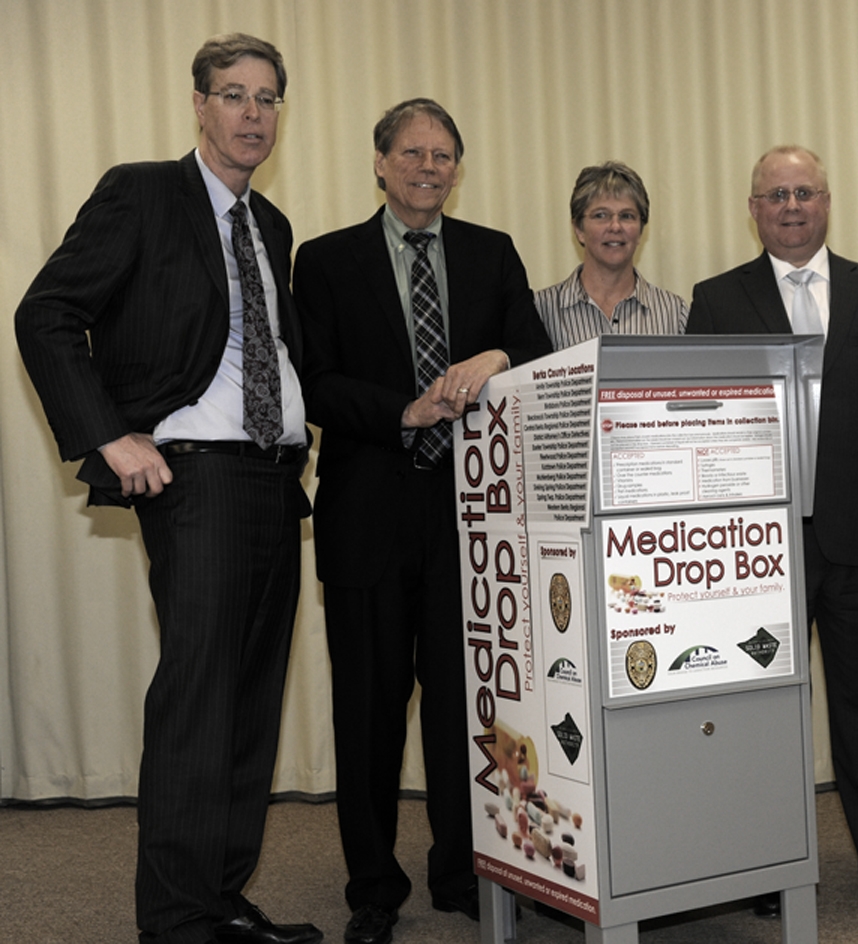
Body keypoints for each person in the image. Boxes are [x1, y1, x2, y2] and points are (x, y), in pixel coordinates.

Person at [14, 33, 320, 944]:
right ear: (199, 105)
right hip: (199, 481)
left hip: (275, 482)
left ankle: (221, 898)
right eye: (234, 95)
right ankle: (180, 922)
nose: (252, 114)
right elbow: (47, 313)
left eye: (268, 98)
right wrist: (108, 435)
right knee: (200, 699)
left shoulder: (271, 226)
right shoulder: (141, 192)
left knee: (253, 702)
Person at [293, 99, 551, 944]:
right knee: (367, 711)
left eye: (443, 154)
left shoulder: (492, 252)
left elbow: (539, 352)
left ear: (457, 168)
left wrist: (497, 356)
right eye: (411, 152)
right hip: (366, 515)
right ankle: (374, 885)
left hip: (471, 525)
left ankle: (459, 870)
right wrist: (403, 411)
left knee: (460, 707)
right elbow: (316, 382)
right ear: (380, 162)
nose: (427, 166)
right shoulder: (326, 260)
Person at [687, 146, 858, 916]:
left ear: (826, 201)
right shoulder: (717, 299)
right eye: (775, 195)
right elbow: (699, 423)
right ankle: (761, 867)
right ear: (754, 209)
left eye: (804, 192)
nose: (791, 206)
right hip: (756, 550)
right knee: (760, 716)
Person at [534, 161, 687, 348]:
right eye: (601, 215)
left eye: (627, 216)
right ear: (578, 229)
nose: (615, 226)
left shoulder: (674, 313)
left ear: (640, 230)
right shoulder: (540, 311)